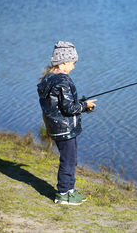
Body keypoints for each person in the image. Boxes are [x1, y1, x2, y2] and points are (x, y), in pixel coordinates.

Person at [37, 41, 97, 205]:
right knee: (68, 160)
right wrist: (85, 106)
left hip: (57, 127)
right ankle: (63, 193)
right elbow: (69, 108)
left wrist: (82, 105)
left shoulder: (49, 79)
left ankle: (70, 190)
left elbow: (63, 104)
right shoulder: (63, 81)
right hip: (65, 129)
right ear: (63, 63)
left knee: (70, 159)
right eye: (72, 63)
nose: (73, 67)